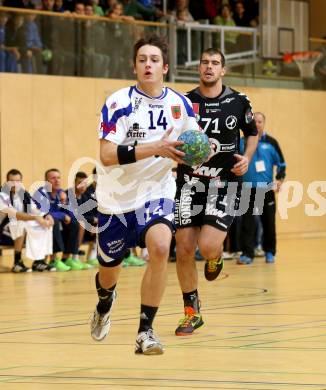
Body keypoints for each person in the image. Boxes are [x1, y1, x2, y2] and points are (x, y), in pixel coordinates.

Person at [90, 34, 200, 355]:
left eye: (154, 60)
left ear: (164, 67)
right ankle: (105, 300)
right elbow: (108, 155)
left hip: (157, 192)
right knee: (109, 270)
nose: (148, 64)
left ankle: (145, 332)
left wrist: (200, 151)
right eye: (142, 60)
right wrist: (157, 147)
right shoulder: (117, 103)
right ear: (134, 66)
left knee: (161, 247)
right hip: (116, 198)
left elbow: (195, 142)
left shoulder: (179, 104)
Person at [174, 47, 258, 336]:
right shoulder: (184, 103)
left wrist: (246, 157)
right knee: (184, 248)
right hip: (188, 184)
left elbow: (253, 132)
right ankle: (191, 312)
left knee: (207, 246)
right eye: (204, 63)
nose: (209, 67)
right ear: (199, 68)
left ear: (223, 70)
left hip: (224, 184)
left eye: (215, 63)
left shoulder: (239, 101)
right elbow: (171, 138)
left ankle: (215, 256)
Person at [238, 112, 286, 265]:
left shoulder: (271, 142)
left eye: (259, 121)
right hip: (247, 189)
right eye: (254, 121)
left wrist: (279, 179)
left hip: (266, 190)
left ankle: (270, 252)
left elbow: (282, 165)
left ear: (263, 123)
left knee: (269, 224)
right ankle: (247, 254)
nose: (257, 124)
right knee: (247, 224)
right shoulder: (240, 142)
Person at [0, 169, 53, 273]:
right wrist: (36, 218)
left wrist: (47, 216)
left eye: (18, 181)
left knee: (45, 225)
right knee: (20, 224)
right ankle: (17, 263)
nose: (15, 184)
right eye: (12, 181)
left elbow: (34, 209)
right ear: (7, 182)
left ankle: (39, 261)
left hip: (18, 228)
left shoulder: (23, 194)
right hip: (3, 231)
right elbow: (16, 215)